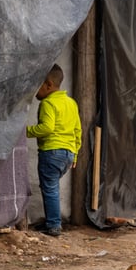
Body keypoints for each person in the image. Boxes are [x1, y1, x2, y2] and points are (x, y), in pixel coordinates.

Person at [26, 64, 81, 237]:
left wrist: (24, 132)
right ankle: (53, 222)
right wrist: (75, 155)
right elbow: (77, 131)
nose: (35, 92)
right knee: (53, 187)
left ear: (48, 85)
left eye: (37, 86)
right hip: (68, 153)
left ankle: (53, 225)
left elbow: (47, 128)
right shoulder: (71, 103)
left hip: (51, 151)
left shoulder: (48, 103)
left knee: (49, 188)